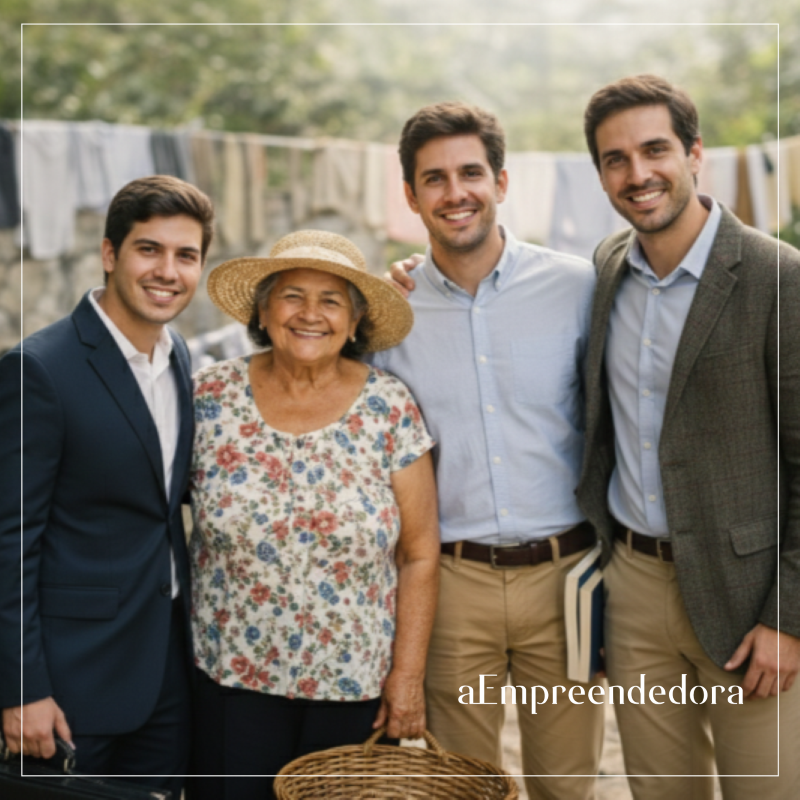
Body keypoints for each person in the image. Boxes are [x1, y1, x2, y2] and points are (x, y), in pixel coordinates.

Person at [576, 74, 800, 799]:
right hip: (633, 588)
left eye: (654, 150)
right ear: (600, 174)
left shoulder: (778, 277)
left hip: (748, 598)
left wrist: (787, 619)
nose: (637, 174)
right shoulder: (606, 268)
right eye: (615, 159)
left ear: (695, 153)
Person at [378, 102, 603, 800]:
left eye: (471, 173)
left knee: (567, 785)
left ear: (501, 182)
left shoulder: (579, 287)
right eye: (435, 179)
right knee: (462, 788)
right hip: (451, 585)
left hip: (566, 581)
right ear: (411, 195)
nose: (456, 193)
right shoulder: (387, 313)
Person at [187, 229, 439, 800]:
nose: (310, 314)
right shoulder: (209, 398)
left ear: (355, 323)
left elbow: (420, 552)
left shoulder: (389, 406)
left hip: (354, 689)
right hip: (231, 680)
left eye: (331, 301)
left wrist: (407, 677)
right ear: (262, 311)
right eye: (292, 296)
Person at [0, 175, 215, 795]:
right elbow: (9, 542)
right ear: (110, 253)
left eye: (186, 255)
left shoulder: (177, 356)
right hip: (71, 686)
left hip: (164, 673)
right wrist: (21, 688)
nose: (168, 271)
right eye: (149, 249)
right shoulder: (38, 370)